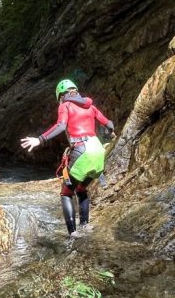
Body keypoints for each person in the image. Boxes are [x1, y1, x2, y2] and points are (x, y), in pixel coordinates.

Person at [21, 79, 115, 238]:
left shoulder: (65, 105)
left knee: (66, 193)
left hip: (81, 151)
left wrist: (40, 139)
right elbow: (110, 124)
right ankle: (85, 226)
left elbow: (61, 126)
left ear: (60, 96)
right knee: (81, 189)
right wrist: (110, 133)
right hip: (98, 151)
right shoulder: (90, 106)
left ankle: (73, 233)